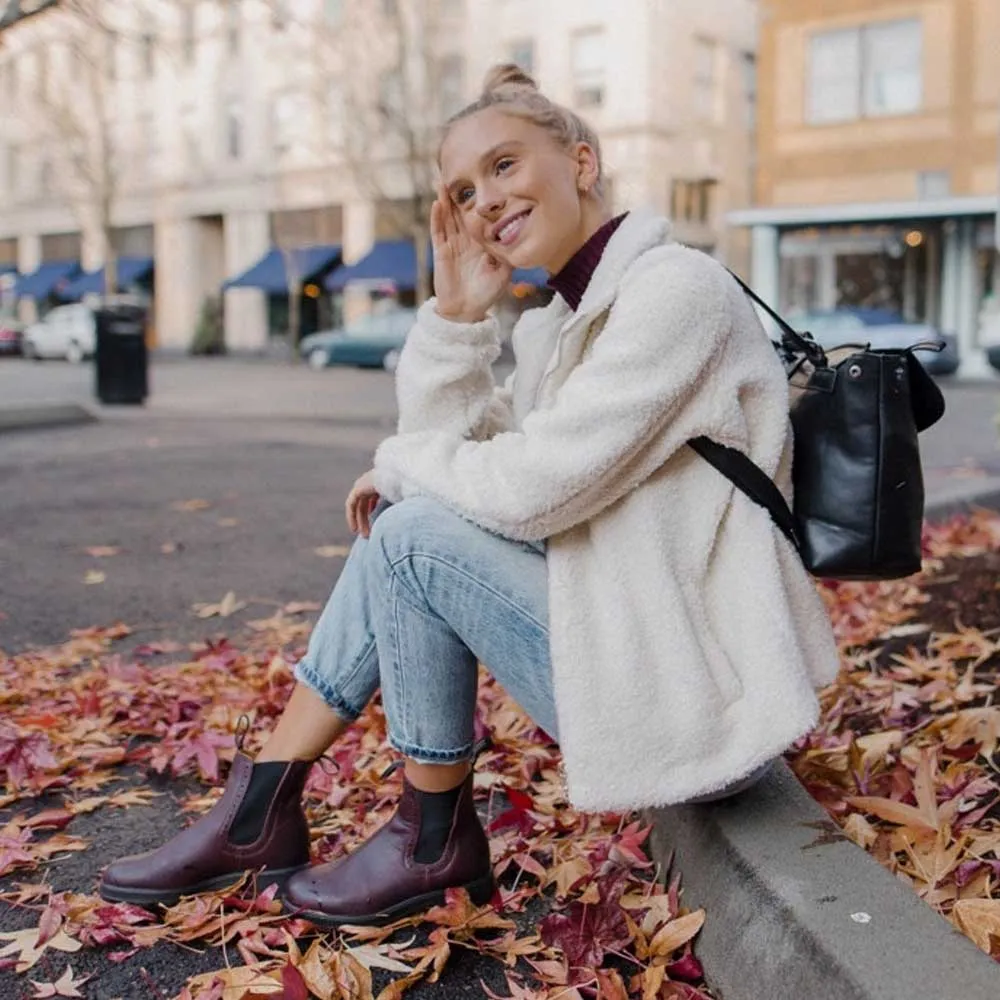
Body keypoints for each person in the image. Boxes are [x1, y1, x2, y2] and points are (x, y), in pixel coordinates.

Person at [99, 64, 840, 927]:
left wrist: (406, 470)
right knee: (410, 530)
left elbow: (533, 491)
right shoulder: (564, 319)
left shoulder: (674, 293)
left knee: (409, 535)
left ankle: (413, 838)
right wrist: (456, 320)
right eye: (462, 188)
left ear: (582, 163)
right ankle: (270, 808)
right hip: (637, 646)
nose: (484, 200)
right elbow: (481, 466)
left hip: (702, 690)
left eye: (505, 166)